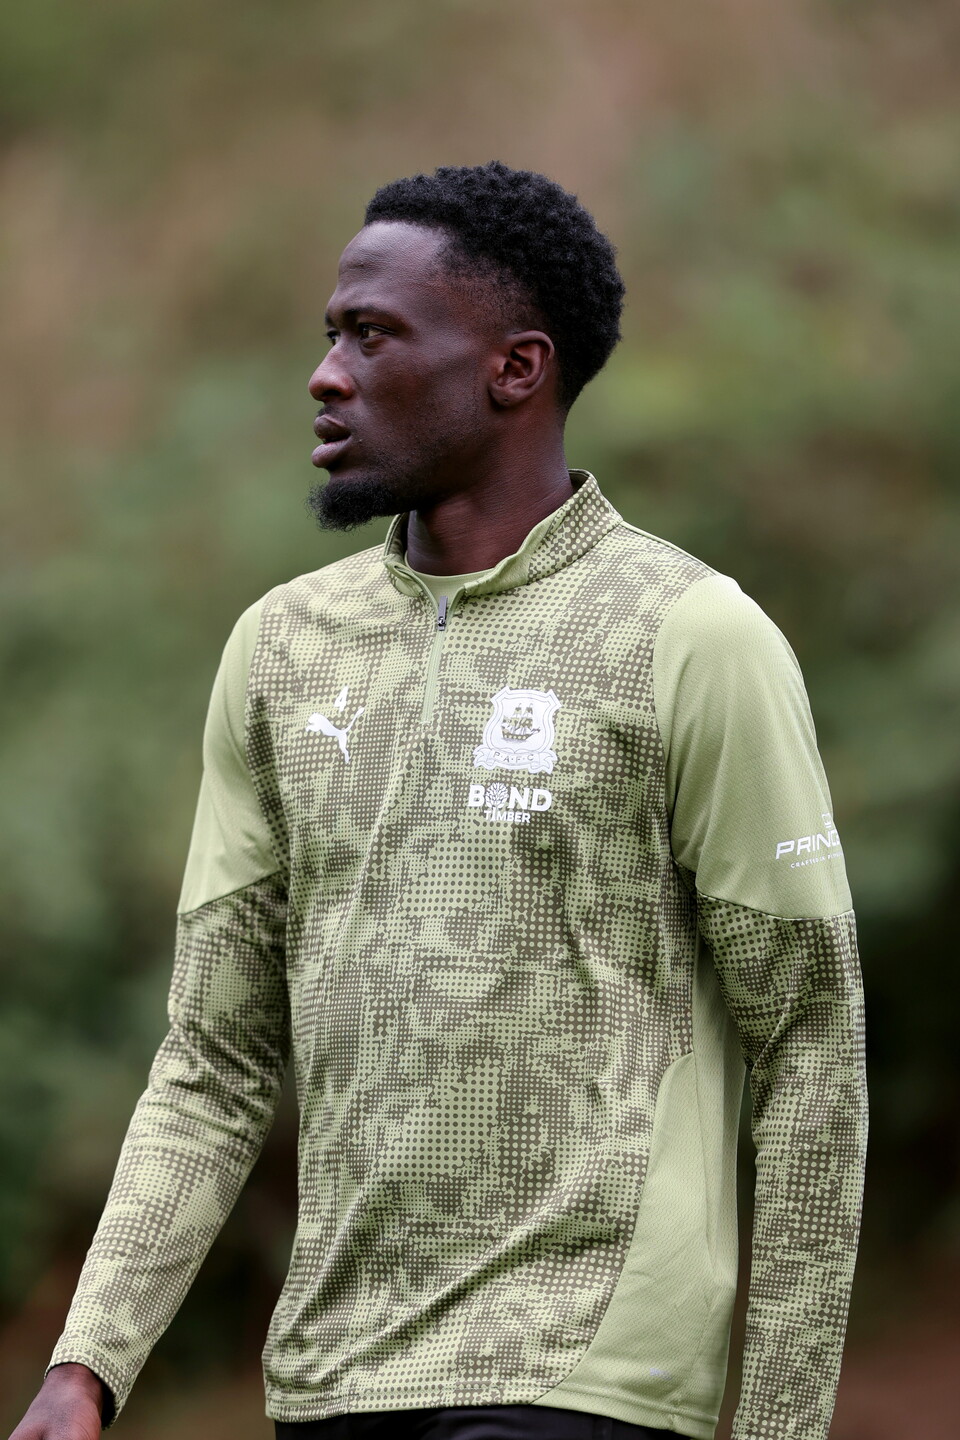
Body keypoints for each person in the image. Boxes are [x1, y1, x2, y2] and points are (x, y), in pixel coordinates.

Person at [12, 162, 867, 1440]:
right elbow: (215, 1057)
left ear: (515, 370)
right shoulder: (283, 648)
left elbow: (810, 1042)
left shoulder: (691, 635)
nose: (326, 373)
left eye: (373, 334)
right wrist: (87, 1368)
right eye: (328, 335)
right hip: (335, 1375)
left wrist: (784, 1421)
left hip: (585, 1373)